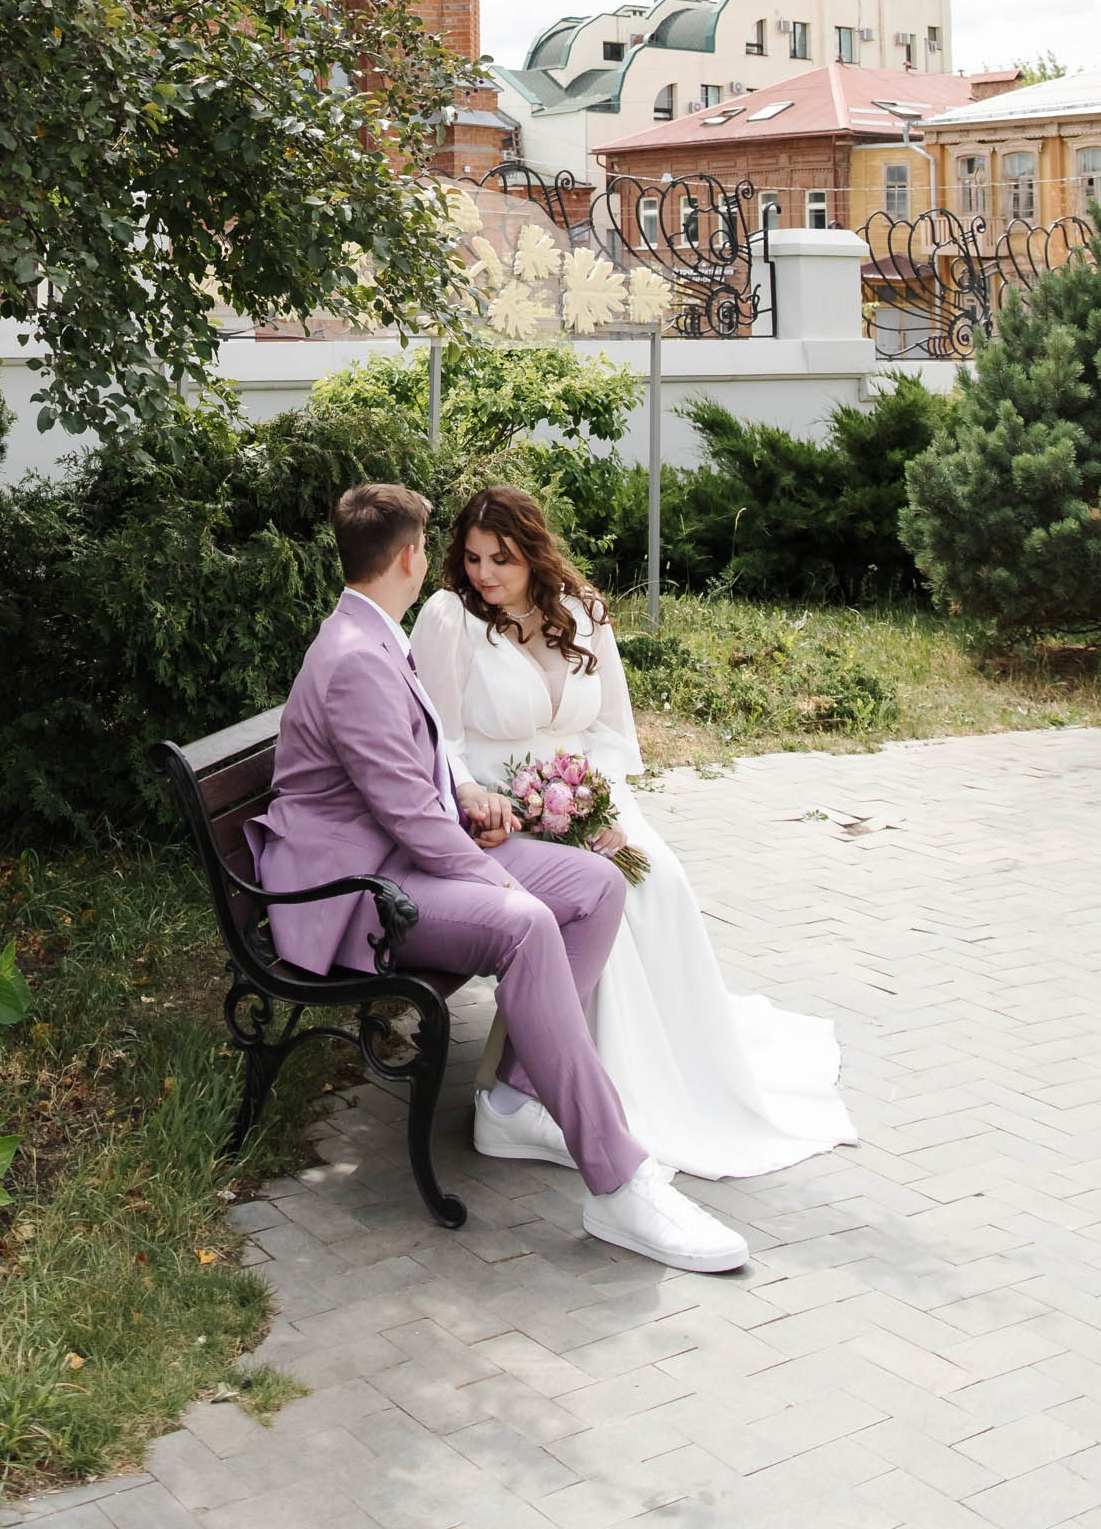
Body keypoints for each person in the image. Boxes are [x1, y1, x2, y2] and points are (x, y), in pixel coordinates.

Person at [249, 480, 750, 1273]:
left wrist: (473, 797)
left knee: (598, 885)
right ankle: (618, 1183)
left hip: (402, 854)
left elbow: (421, 781)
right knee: (527, 920)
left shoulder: (373, 633)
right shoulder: (355, 657)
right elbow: (406, 815)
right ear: (413, 556)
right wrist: (500, 884)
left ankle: (513, 1099)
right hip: (352, 892)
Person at [411, 484, 857, 1182]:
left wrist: (597, 808)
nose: (484, 575)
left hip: (587, 801)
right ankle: (542, 1092)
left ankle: (670, 1064)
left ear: (533, 552)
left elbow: (611, 733)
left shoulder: (584, 614)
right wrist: (480, 797)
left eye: (500, 559)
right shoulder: (450, 620)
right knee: (603, 897)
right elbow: (438, 740)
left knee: (659, 880)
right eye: (471, 559)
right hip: (496, 813)